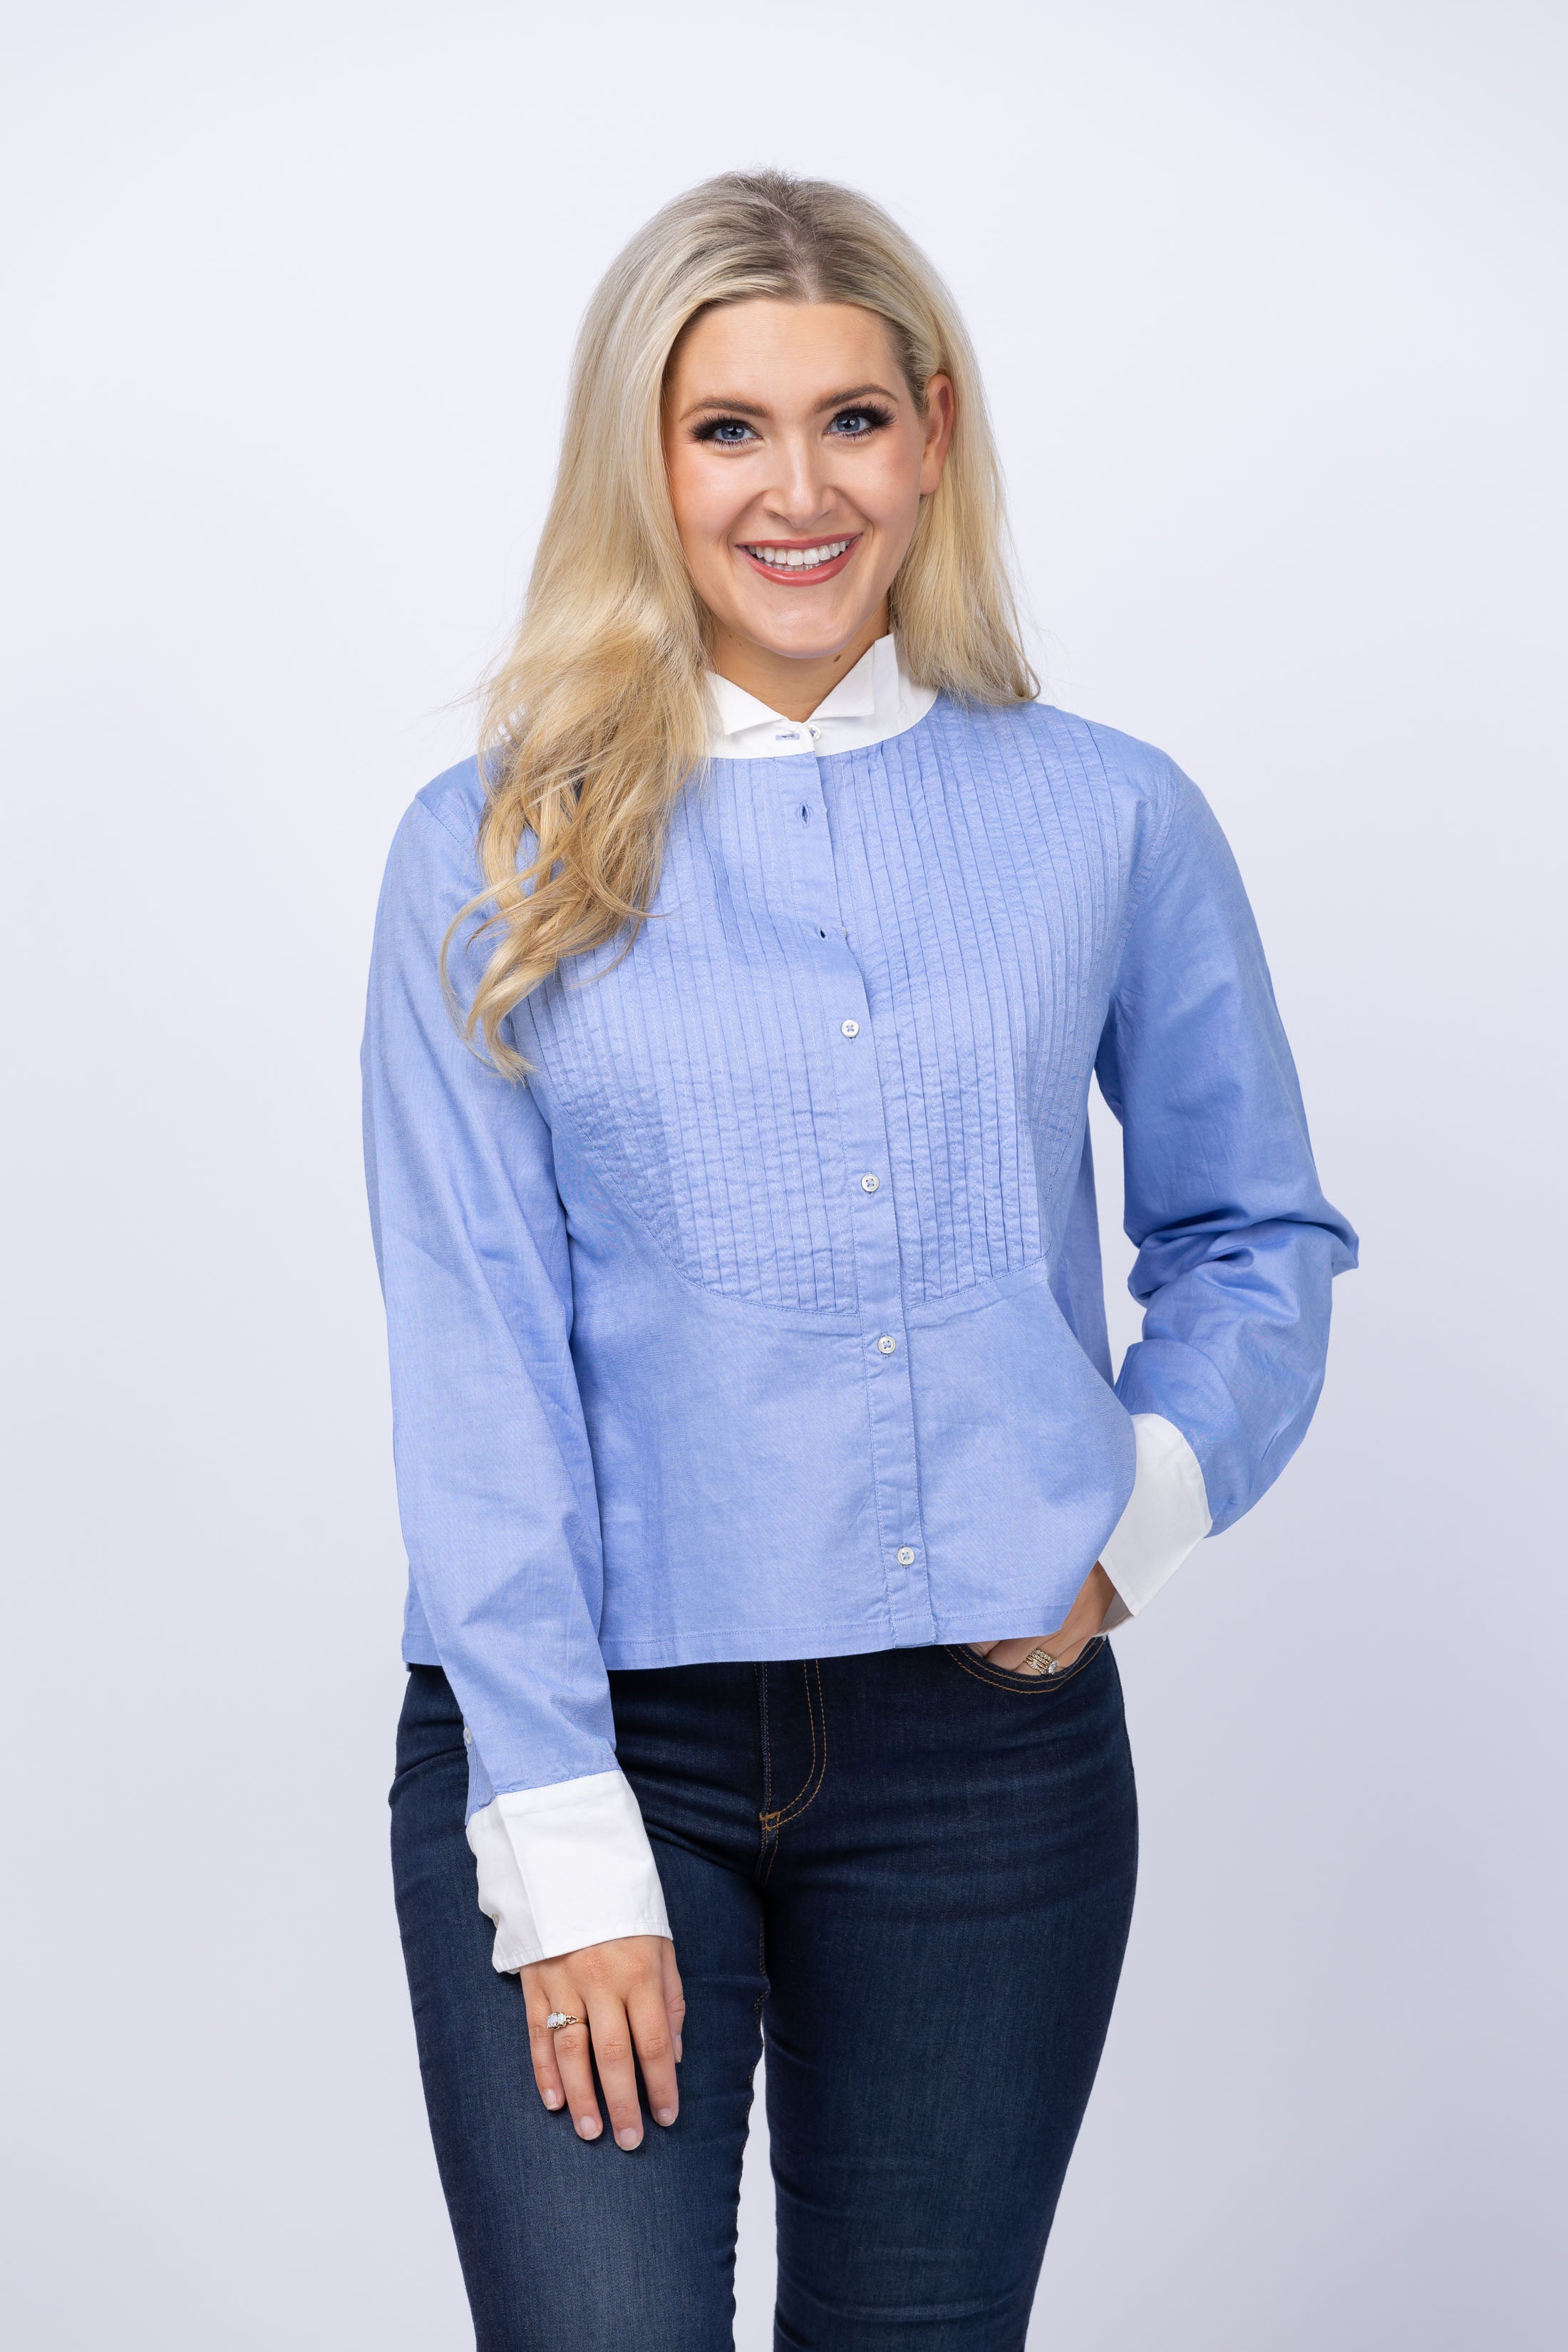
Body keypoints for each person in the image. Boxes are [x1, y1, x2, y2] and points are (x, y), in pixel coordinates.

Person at [363, 169, 1356, 2352]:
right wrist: (565, 1836)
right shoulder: (489, 846)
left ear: (934, 436)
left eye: (851, 420)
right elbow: (476, 1351)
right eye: (728, 427)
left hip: (985, 1764)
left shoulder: (1108, 813)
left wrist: (1134, 1515)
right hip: (594, 1731)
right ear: (643, 458)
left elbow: (1254, 1227)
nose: (796, 491)